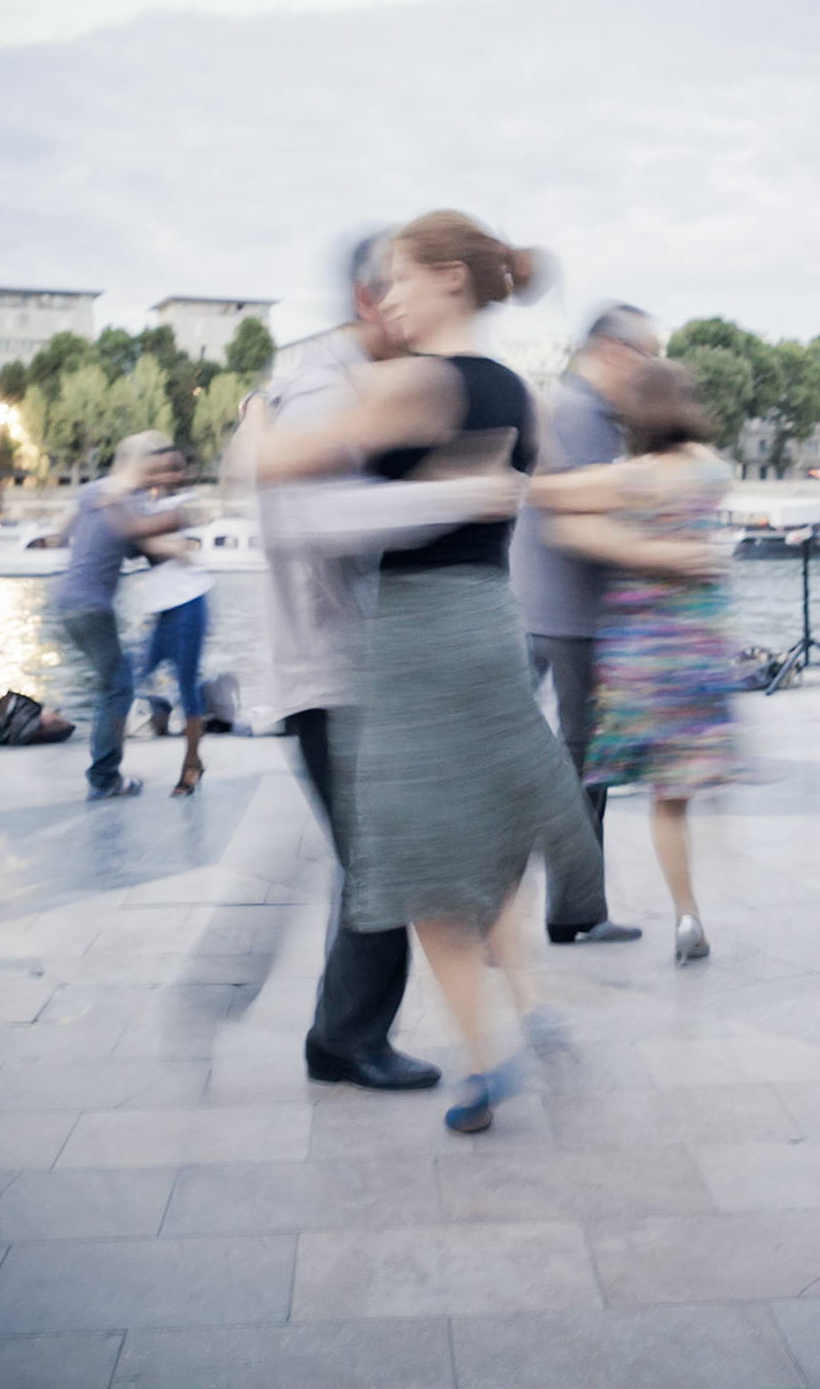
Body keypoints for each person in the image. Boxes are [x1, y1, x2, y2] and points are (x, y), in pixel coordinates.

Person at [257, 209, 599, 1135]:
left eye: (402, 279)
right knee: (479, 834)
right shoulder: (525, 394)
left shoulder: (417, 382)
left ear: (451, 277)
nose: (387, 298)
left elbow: (281, 465)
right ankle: (524, 1012)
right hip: (494, 618)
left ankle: (491, 1059)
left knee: (414, 851)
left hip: (417, 632)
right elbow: (550, 491)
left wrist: (260, 410)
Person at [529, 360, 742, 965]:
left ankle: (672, 914)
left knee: (643, 794)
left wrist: (541, 424)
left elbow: (547, 496)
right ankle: (685, 914)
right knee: (676, 796)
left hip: (642, 656)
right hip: (700, 649)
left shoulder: (631, 480)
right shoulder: (711, 471)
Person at [509, 305, 663, 945]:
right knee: (575, 771)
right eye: (649, 355)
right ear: (615, 350)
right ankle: (557, 912)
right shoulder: (580, 414)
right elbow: (573, 511)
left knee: (574, 770)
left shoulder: (585, 413)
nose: (651, 371)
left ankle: (572, 910)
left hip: (557, 613)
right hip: (567, 618)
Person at [55, 432, 189, 799]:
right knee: (118, 687)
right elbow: (145, 537)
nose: (156, 473)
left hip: (67, 601)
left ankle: (104, 770)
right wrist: (182, 544)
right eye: (153, 465)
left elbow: (62, 530)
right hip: (91, 607)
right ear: (139, 463)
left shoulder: (94, 492)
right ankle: (104, 778)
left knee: (111, 683)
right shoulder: (127, 500)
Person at [134, 457, 213, 797]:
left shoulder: (185, 505)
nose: (162, 476)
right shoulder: (148, 507)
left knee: (186, 685)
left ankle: (192, 763)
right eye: (156, 469)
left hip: (190, 605)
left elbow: (186, 550)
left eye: (170, 470)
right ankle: (108, 767)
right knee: (135, 675)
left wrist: (146, 541)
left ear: (181, 475)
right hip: (162, 612)